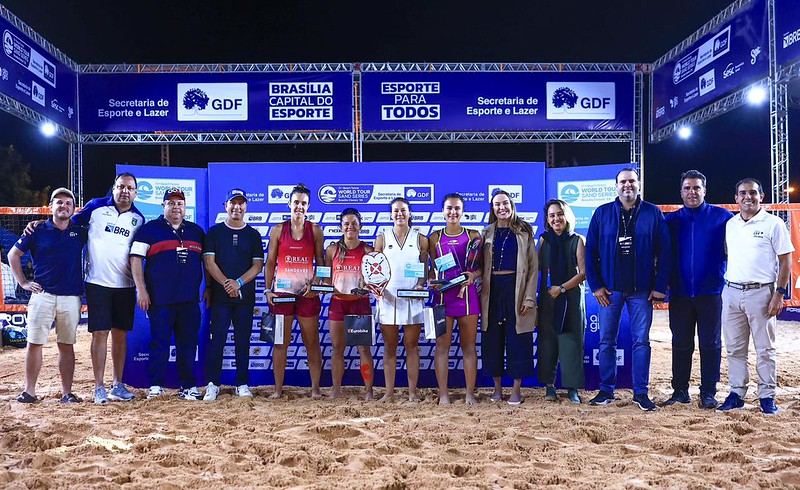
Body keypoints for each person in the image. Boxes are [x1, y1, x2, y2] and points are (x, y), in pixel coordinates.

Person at [585, 167, 670, 411]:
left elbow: (665, 252)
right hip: (609, 291)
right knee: (606, 341)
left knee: (641, 342)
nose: (627, 186)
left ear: (638, 184)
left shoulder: (653, 213)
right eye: (623, 182)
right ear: (616, 185)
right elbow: (590, 253)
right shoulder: (602, 214)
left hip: (641, 291)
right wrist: (596, 285)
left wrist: (659, 286)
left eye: (632, 181)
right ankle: (606, 390)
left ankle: (641, 393)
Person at [717, 178, 794, 415]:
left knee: (765, 349)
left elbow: (785, 261)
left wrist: (779, 294)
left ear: (761, 196)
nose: (747, 197)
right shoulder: (731, 225)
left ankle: (767, 396)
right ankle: (737, 393)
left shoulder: (773, 224)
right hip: (731, 292)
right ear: (736, 198)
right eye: (743, 193)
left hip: (762, 293)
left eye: (753, 193)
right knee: (734, 349)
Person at [663, 170, 733, 409]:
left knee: (710, 344)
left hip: (711, 293)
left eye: (696, 188)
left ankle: (708, 392)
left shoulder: (723, 217)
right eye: (687, 188)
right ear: (681, 191)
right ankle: (680, 390)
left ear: (705, 190)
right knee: (680, 343)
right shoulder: (670, 221)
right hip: (680, 294)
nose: (692, 192)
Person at [10, 188, 87, 403]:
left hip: (71, 297)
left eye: (68, 203)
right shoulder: (36, 230)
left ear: (73, 208)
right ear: (50, 206)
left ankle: (67, 393)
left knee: (66, 345)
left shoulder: (80, 231)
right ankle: (29, 392)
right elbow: (13, 255)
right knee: (34, 343)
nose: (63, 206)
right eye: (59, 202)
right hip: (42, 295)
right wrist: (23, 282)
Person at [73, 172, 145, 404]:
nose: (125, 191)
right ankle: (99, 387)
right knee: (100, 333)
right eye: (121, 186)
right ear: (113, 188)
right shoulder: (95, 207)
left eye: (130, 188)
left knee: (120, 335)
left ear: (135, 192)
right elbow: (68, 226)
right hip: (97, 283)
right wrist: (42, 225)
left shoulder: (139, 219)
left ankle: (118, 385)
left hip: (125, 284)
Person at [130, 188, 205, 400]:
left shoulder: (196, 231)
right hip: (160, 301)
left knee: (188, 344)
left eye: (179, 203)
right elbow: (135, 259)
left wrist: (208, 288)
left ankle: (188, 386)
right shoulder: (149, 230)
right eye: (171, 203)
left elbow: (207, 263)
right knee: (159, 344)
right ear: (163, 206)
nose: (175, 207)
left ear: (185, 207)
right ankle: (155, 386)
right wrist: (141, 289)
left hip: (189, 301)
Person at [202, 189, 264, 400]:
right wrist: (227, 285)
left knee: (242, 341)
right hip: (220, 299)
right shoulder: (214, 232)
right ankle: (213, 383)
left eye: (241, 203)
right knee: (217, 340)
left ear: (246, 207)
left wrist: (238, 283)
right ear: (225, 206)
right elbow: (209, 262)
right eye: (233, 203)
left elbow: (257, 266)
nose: (237, 207)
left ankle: (242, 383)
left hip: (244, 300)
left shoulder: (253, 234)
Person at [264, 183, 325, 399]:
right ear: (289, 203)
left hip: (306, 296)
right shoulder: (278, 229)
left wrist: (316, 285)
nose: (299, 206)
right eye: (296, 202)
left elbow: (322, 263)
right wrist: (267, 289)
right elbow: (270, 262)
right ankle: (278, 390)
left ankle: (315, 389)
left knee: (312, 343)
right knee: (280, 343)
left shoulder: (315, 230)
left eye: (304, 203)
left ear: (308, 206)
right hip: (282, 295)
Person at [480, 189, 538, 405]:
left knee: (518, 339)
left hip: (517, 289)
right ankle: (497, 388)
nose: (501, 207)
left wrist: (529, 298)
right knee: (492, 338)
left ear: (511, 205)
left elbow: (533, 268)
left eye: (505, 203)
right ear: (493, 209)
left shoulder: (524, 232)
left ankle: (516, 390)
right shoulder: (486, 233)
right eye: (497, 204)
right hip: (492, 291)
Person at [428, 193, 481, 405]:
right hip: (442, 297)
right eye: (449, 208)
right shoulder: (434, 238)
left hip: (467, 297)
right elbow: (430, 269)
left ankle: (469, 394)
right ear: (442, 211)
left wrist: (474, 276)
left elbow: (482, 268)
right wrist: (431, 280)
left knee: (469, 347)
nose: (453, 212)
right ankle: (443, 395)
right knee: (442, 347)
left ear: (463, 211)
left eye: (457, 208)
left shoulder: (473, 235)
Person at [373, 197, 428, 402]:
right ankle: (389, 392)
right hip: (387, 298)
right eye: (395, 211)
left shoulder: (420, 238)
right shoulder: (382, 238)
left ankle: (412, 392)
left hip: (413, 298)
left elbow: (425, 268)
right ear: (390, 214)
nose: (399, 214)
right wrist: (378, 289)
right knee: (389, 347)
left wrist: (421, 283)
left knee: (411, 346)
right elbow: (373, 270)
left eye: (403, 210)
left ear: (410, 213)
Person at [536, 199, 586, 404]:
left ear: (567, 216)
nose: (556, 218)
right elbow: (535, 269)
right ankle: (549, 387)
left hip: (571, 297)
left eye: (559, 214)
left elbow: (584, 273)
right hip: (548, 298)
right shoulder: (543, 240)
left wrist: (563, 288)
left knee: (571, 341)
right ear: (547, 220)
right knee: (547, 341)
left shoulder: (577, 240)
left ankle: (572, 389)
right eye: (552, 215)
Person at [324, 207, 375, 400]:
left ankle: (369, 391)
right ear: (341, 227)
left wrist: (369, 287)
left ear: (360, 226)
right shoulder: (332, 250)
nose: (350, 227)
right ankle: (336, 390)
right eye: (346, 223)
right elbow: (326, 278)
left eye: (354, 223)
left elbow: (374, 280)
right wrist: (322, 286)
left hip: (360, 304)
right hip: (338, 303)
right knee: (338, 348)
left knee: (364, 349)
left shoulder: (368, 251)